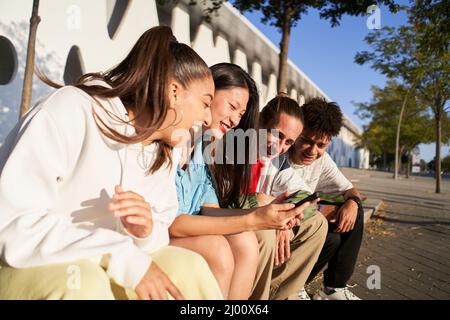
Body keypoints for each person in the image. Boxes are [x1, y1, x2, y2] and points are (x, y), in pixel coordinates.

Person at [0, 26, 223, 300]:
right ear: (174, 92)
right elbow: (11, 223)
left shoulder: (163, 154)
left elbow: (160, 231)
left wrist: (147, 230)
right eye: (205, 103)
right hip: (18, 264)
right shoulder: (72, 109)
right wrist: (120, 253)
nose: (208, 119)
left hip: (101, 266)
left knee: (189, 267)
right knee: (84, 283)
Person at [169, 64, 314, 300]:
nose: (235, 119)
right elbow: (172, 221)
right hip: (162, 232)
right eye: (232, 107)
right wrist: (254, 217)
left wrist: (263, 213)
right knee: (221, 248)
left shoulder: (200, 150)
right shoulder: (183, 142)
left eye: (240, 113)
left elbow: (210, 209)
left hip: (189, 224)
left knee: (246, 240)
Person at [272, 97, 364, 300]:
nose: (313, 151)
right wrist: (322, 211)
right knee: (325, 231)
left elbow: (351, 191)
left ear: (328, 142)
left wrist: (352, 203)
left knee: (351, 215)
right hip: (277, 225)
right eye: (306, 141)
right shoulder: (279, 153)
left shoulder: (323, 162)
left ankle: (332, 289)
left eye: (321, 145)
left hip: (304, 223)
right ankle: (288, 287)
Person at [247, 95, 328, 300]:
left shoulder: (277, 162)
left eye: (288, 142)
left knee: (319, 224)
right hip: (235, 219)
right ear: (260, 121)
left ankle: (280, 295)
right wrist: (260, 201)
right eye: (276, 135)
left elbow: (309, 200)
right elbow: (225, 199)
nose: (279, 147)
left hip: (263, 217)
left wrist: (286, 220)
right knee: (266, 233)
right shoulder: (234, 148)